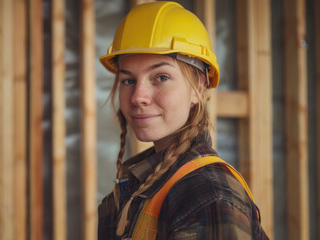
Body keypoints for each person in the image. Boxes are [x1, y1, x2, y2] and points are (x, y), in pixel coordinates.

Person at [97, 2, 268, 239]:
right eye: (128, 81)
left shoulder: (208, 195)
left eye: (161, 77)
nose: (138, 97)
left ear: (199, 85)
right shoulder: (143, 181)